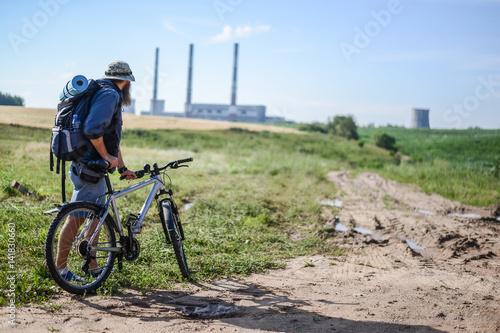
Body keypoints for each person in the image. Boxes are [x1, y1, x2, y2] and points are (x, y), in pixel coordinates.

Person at [55, 61, 137, 283]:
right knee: (76, 219)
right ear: (126, 81)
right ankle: (61, 270)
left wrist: (121, 166)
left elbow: (111, 138)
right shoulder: (110, 95)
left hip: (87, 166)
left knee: (96, 218)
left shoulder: (101, 90)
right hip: (90, 168)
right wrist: (105, 157)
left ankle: (92, 267)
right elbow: (92, 129)